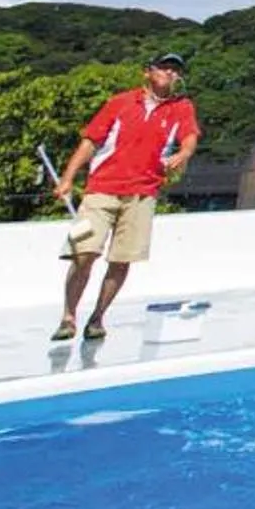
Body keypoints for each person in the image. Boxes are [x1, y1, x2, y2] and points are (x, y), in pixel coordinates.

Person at [53, 51, 201, 343]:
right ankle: (68, 315)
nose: (170, 73)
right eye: (164, 68)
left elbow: (189, 137)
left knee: (121, 259)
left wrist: (183, 154)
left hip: (142, 194)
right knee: (83, 252)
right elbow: (91, 142)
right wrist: (68, 178)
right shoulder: (119, 103)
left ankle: (97, 317)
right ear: (147, 72)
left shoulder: (181, 107)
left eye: (175, 70)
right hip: (101, 190)